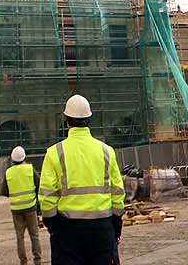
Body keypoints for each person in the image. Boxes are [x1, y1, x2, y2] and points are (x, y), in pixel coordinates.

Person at [38, 94, 124, 265]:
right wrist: (116, 224)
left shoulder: (55, 153)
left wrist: (53, 226)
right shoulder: (106, 151)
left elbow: (46, 197)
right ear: (89, 119)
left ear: (66, 120)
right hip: (102, 229)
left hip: (68, 232)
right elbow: (118, 192)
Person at [6, 145, 42, 265]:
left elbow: (4, 191)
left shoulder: (8, 172)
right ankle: (37, 260)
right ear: (24, 157)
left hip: (16, 209)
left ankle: (23, 261)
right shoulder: (30, 169)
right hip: (31, 207)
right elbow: (39, 184)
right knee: (34, 235)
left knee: (19, 237)